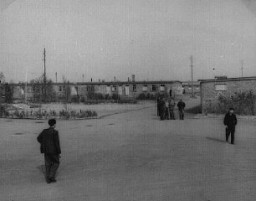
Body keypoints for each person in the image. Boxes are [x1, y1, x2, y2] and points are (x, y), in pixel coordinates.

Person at [37, 119, 61, 183]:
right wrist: (59, 152)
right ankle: (51, 176)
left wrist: (44, 143)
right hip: (54, 151)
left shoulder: (44, 131)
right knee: (56, 163)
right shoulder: (55, 132)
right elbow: (57, 143)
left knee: (47, 164)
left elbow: (38, 138)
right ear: (54, 124)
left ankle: (48, 179)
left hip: (46, 150)